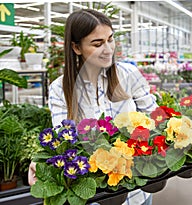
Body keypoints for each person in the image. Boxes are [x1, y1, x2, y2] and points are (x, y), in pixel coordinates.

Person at [28, 9, 157, 205]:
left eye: (110, 39)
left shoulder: (128, 75)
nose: (108, 49)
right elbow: (63, 140)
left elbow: (155, 118)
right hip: (96, 195)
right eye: (97, 44)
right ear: (77, 48)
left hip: (137, 191)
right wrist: (40, 160)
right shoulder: (60, 89)